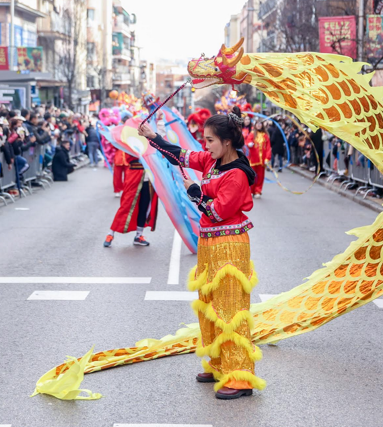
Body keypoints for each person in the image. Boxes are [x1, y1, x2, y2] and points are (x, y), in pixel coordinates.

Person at [138, 105, 263, 400]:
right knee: (209, 304)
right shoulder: (212, 160)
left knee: (230, 309)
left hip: (230, 245)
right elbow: (182, 155)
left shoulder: (237, 175)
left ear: (227, 142)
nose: (204, 146)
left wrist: (195, 191)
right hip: (209, 245)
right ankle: (218, 363)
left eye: (209, 140)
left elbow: (218, 212)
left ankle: (239, 375)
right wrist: (153, 136)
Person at [103, 149, 158, 248]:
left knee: (144, 208)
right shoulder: (128, 141)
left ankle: (138, 235)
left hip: (148, 178)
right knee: (126, 206)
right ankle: (110, 234)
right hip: (134, 176)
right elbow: (126, 159)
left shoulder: (150, 139)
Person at [246, 119, 271, 198]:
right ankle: (251, 190)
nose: (259, 125)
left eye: (260, 124)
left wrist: (267, 158)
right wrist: (249, 144)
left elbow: (268, 148)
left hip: (262, 160)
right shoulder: (252, 134)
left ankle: (258, 191)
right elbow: (247, 142)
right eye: (258, 123)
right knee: (252, 176)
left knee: (260, 176)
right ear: (255, 125)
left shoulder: (265, 135)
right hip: (253, 159)